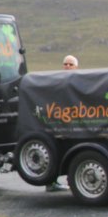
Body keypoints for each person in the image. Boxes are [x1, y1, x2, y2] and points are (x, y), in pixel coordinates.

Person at [47, 55, 79, 192]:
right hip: (59, 124)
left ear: (76, 67)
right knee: (55, 152)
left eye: (70, 64)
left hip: (75, 124)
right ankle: (51, 182)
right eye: (65, 64)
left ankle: (73, 181)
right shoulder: (57, 82)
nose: (67, 66)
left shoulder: (80, 81)